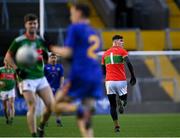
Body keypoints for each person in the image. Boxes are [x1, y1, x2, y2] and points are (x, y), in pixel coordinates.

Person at [50, 3, 103, 137]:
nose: (70, 16)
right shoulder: (95, 32)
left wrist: (51, 47)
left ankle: (78, 108)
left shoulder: (75, 28)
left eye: (72, 13)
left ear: (79, 13)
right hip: (96, 76)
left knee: (55, 105)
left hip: (80, 75)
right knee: (86, 121)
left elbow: (68, 52)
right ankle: (84, 114)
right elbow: (82, 54)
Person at [4, 13, 54, 137]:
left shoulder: (40, 40)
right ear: (25, 25)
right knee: (32, 106)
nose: (33, 25)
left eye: (35, 23)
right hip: (26, 78)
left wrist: (49, 53)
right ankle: (34, 134)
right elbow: (7, 57)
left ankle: (41, 126)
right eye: (30, 23)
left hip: (40, 77)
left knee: (51, 106)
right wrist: (17, 69)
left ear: (37, 25)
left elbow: (46, 58)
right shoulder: (19, 41)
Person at [101, 35, 136, 132]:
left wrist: (107, 76)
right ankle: (121, 101)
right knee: (124, 101)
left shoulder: (105, 54)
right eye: (121, 41)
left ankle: (117, 126)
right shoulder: (122, 51)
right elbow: (128, 63)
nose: (123, 43)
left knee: (112, 106)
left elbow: (103, 70)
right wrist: (133, 76)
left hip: (109, 82)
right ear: (115, 42)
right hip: (120, 81)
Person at [44, 53, 64, 126]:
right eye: (52, 57)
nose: (53, 59)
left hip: (57, 88)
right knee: (47, 105)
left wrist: (61, 86)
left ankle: (58, 120)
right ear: (49, 58)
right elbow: (43, 78)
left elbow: (62, 77)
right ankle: (46, 121)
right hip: (48, 88)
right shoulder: (46, 67)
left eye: (55, 57)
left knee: (58, 104)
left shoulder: (60, 66)